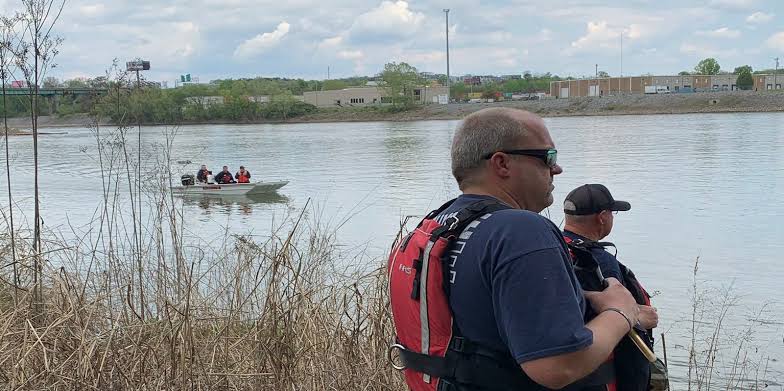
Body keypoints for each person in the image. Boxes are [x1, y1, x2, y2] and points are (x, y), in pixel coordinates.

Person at [389, 108, 641, 390]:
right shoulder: (521, 231)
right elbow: (559, 365)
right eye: (548, 158)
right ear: (502, 164)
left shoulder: (438, 226)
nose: (557, 169)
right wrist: (621, 312)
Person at [563, 184, 659, 391]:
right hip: (601, 377)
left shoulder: (552, 248)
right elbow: (618, 313)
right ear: (603, 217)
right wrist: (640, 318)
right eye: (613, 213)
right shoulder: (600, 262)